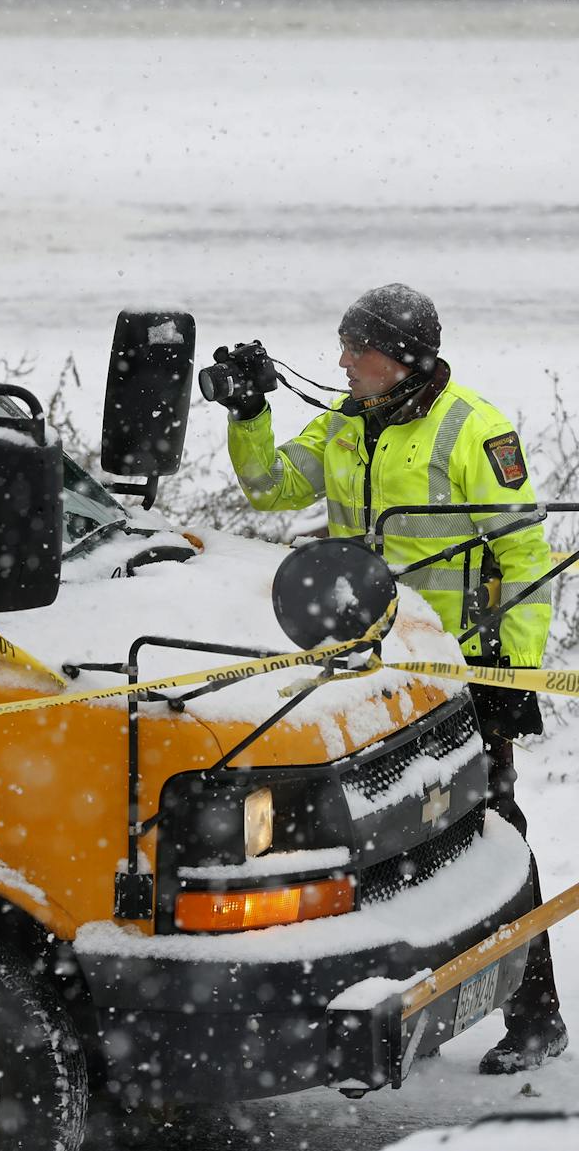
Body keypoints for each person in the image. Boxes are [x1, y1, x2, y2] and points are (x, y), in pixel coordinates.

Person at [216, 283, 567, 1075]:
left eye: (356, 349)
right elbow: (271, 487)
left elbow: (525, 560)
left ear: (400, 359)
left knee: (493, 834)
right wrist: (248, 415)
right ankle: (397, 1002)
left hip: (459, 677)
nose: (341, 361)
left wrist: (511, 670)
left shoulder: (474, 430)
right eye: (342, 345)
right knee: (385, 843)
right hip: (363, 678)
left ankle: (537, 1016)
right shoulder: (344, 423)